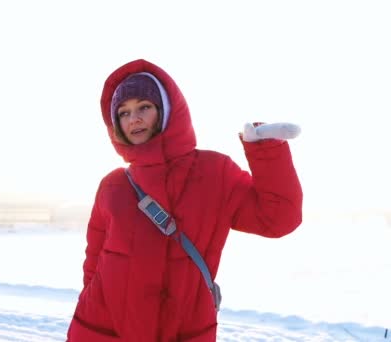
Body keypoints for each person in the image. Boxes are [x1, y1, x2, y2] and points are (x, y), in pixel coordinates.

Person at [66, 59, 303, 342]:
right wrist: (90, 304)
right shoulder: (113, 185)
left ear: (166, 110)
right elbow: (94, 262)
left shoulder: (214, 172)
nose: (134, 119)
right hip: (101, 329)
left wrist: (266, 150)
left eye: (144, 107)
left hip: (184, 332)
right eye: (123, 112)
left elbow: (278, 219)